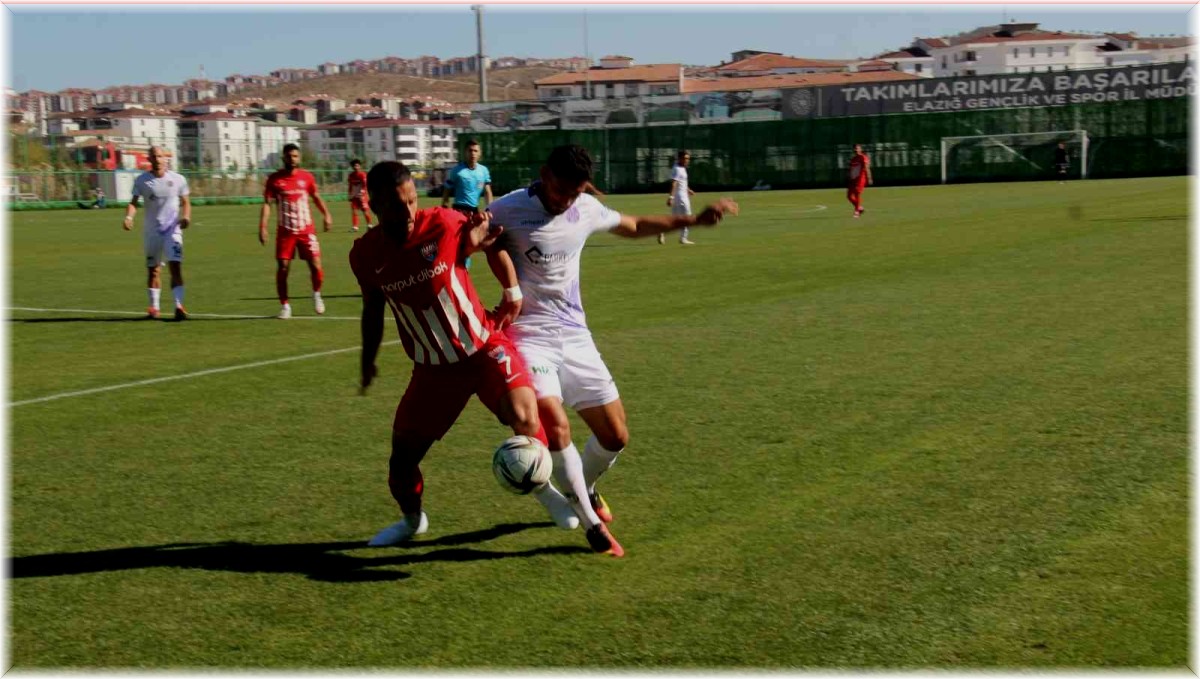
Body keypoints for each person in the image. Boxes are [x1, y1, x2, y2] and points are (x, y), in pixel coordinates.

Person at [351, 160, 624, 557]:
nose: (408, 212)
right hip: (433, 372)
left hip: (484, 349)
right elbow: (373, 308)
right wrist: (367, 358)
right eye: (397, 205)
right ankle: (412, 521)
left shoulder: (443, 222)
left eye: (412, 201)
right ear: (373, 204)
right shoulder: (365, 254)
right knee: (401, 463)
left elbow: (492, 239)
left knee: (530, 421)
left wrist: (511, 290)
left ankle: (553, 495)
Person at [485, 144, 738, 554]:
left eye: (575, 192)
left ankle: (581, 486)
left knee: (615, 436)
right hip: (529, 337)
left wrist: (692, 220)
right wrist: (507, 285)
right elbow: (478, 239)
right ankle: (590, 526)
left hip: (576, 336)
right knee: (553, 420)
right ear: (544, 174)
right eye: (560, 191)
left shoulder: (583, 207)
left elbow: (633, 225)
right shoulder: (507, 209)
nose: (566, 201)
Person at [259, 143, 333, 319]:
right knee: (283, 268)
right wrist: (263, 226)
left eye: (295, 156)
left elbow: (316, 197)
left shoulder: (306, 177)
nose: (292, 159)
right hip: (285, 232)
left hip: (306, 230)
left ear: (299, 158)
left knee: (316, 266)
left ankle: (316, 294)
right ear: (283, 157)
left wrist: (327, 215)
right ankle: (285, 306)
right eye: (289, 156)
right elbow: (267, 204)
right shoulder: (274, 179)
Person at [123, 146, 191, 321]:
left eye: (161, 156)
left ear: (166, 158)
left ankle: (179, 306)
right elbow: (133, 202)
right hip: (152, 232)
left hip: (172, 230)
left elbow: (186, 202)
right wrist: (129, 217)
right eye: (155, 156)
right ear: (150, 159)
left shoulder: (178, 179)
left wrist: (186, 217)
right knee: (153, 271)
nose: (158, 159)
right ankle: (154, 307)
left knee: (175, 267)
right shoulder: (142, 181)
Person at [442, 139, 493, 269]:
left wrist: (490, 208)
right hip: (458, 210)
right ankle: (456, 267)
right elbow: (447, 189)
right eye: (470, 150)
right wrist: (444, 205)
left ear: (480, 153)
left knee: (472, 243)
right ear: (465, 153)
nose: (473, 153)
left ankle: (463, 268)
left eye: (475, 150)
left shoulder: (483, 171)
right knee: (457, 242)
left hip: (474, 211)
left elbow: (487, 191)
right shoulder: (457, 171)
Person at [660, 149, 697, 245]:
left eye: (688, 158)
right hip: (681, 198)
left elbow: (682, 182)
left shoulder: (680, 167)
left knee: (674, 220)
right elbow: (674, 183)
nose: (687, 160)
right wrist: (670, 197)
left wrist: (688, 190)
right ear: (680, 158)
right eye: (685, 158)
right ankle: (683, 238)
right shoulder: (677, 169)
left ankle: (662, 231)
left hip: (679, 198)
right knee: (688, 218)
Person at [847, 143, 872, 218]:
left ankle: (856, 211)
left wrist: (869, 178)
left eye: (857, 148)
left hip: (861, 179)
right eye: (854, 148)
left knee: (857, 193)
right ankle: (859, 208)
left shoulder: (863, 157)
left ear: (860, 149)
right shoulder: (853, 159)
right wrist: (849, 177)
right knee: (849, 196)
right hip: (853, 179)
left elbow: (867, 168)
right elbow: (851, 169)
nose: (856, 150)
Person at [347, 159, 372, 231]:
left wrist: (362, 193)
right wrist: (349, 194)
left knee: (365, 211)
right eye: (354, 166)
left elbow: (365, 185)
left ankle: (369, 225)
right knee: (354, 210)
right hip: (354, 195)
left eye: (357, 165)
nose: (356, 167)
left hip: (362, 196)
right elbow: (350, 185)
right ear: (352, 167)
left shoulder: (362, 175)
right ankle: (355, 227)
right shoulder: (351, 176)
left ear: (360, 166)